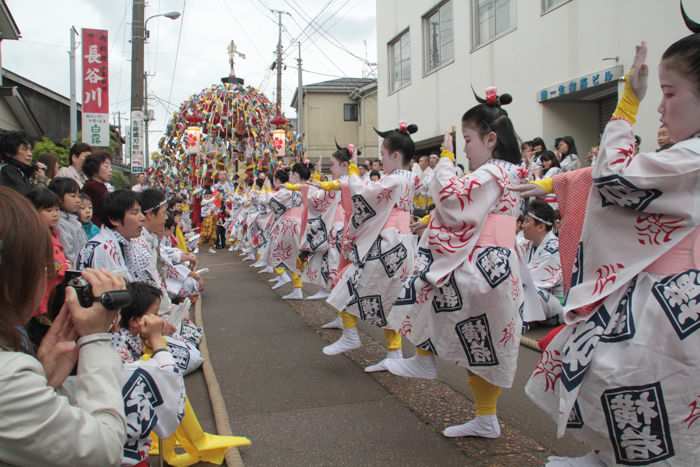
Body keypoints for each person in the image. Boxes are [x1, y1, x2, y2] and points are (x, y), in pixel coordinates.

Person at [525, 19, 700, 465]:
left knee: (638, 382)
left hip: (673, 299)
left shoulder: (691, 158)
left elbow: (612, 178)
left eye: (670, 92)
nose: (661, 108)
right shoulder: (685, 158)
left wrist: (627, 105)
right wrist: (555, 184)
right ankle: (609, 456)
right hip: (669, 291)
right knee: (629, 382)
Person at [386, 90, 525, 440]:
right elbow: (467, 211)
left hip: (482, 265)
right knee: (483, 343)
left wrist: (445, 160)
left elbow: (452, 199)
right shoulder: (509, 170)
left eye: (467, 140)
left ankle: (424, 357)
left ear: (490, 139)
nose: (465, 148)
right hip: (496, 262)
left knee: (426, 284)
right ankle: (485, 415)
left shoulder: (492, 171)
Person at [0, 186, 127, 466]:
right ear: (16, 277)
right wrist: (95, 338)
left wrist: (40, 378)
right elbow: (104, 450)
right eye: (44, 264)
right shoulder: (7, 380)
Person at [321, 123, 417, 373]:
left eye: (383, 155)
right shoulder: (410, 177)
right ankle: (394, 354)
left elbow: (364, 195)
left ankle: (351, 334)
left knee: (348, 281)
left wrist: (352, 172)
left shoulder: (394, 178)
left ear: (396, 156)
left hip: (389, 240)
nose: (381, 161)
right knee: (390, 299)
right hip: (401, 240)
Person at [109, 281, 186, 466]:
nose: (159, 319)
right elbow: (170, 386)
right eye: (155, 314)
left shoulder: (122, 338)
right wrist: (157, 338)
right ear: (136, 321)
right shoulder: (121, 354)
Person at [24, 187, 70, 347]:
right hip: (36, 304)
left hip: (53, 297)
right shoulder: (31, 236)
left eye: (57, 209)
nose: (55, 214)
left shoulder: (54, 233)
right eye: (49, 210)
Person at [76, 190, 144, 280]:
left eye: (141, 212)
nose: (143, 218)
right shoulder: (102, 248)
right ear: (114, 219)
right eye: (135, 213)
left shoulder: (124, 242)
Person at [519, 199, 563, 326]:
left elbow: (531, 284)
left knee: (526, 292)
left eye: (527, 221)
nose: (522, 225)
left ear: (541, 227)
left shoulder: (554, 248)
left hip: (554, 301)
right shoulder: (527, 243)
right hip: (538, 296)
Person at [49, 177, 88, 267]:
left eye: (78, 196)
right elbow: (68, 254)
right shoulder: (59, 222)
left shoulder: (73, 220)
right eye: (73, 196)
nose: (78, 200)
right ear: (58, 197)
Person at [82, 151, 113, 227]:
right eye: (106, 166)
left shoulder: (97, 185)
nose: (110, 170)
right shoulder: (93, 187)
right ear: (94, 168)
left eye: (110, 167)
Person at [0, 131, 35, 196]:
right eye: (24, 149)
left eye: (30, 150)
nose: (30, 154)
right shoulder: (8, 171)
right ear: (9, 153)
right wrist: (41, 183)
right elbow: (26, 199)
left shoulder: (20, 171)